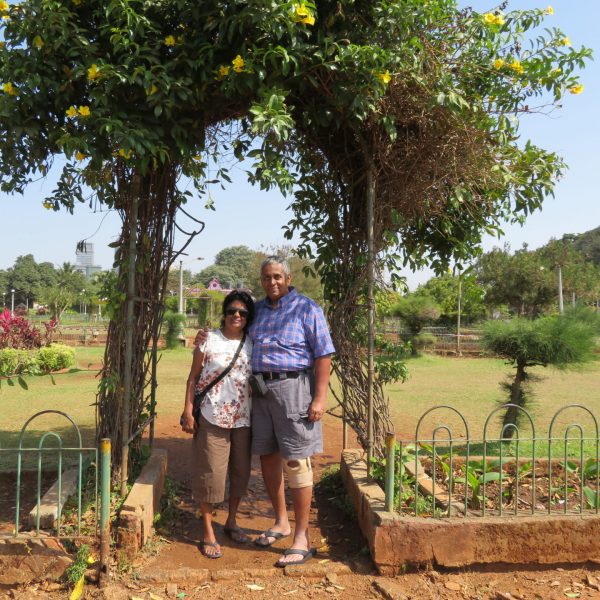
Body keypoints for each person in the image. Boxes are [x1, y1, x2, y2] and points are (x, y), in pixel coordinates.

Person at [195, 256, 335, 567]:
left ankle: (301, 536)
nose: (272, 282)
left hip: (295, 389)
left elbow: (324, 354)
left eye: (277, 277)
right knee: (269, 457)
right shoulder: (257, 311)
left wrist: (319, 398)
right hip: (259, 393)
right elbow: (234, 330)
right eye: (266, 277)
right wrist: (204, 338)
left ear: (288, 277)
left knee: (297, 461)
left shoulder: (306, 308)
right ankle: (281, 522)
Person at [181, 290, 255, 559]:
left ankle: (232, 521)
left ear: (248, 318)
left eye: (243, 312)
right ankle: (208, 531)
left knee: (240, 471)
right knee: (211, 472)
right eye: (232, 311)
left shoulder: (252, 342)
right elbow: (192, 378)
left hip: (243, 418)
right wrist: (189, 410)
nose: (237, 315)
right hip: (212, 416)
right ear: (224, 313)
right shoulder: (207, 340)